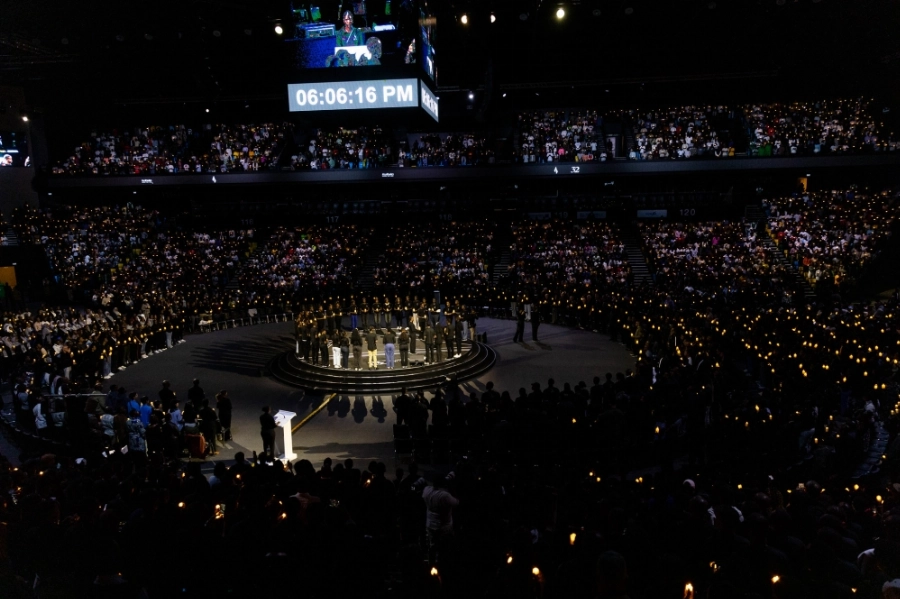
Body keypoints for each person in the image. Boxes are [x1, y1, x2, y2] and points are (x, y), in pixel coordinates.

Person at [423, 474, 459, 564]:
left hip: (430, 525)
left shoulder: (427, 490)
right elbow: (456, 502)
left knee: (432, 547)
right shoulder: (445, 495)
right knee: (444, 548)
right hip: (444, 527)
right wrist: (450, 486)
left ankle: (431, 565)